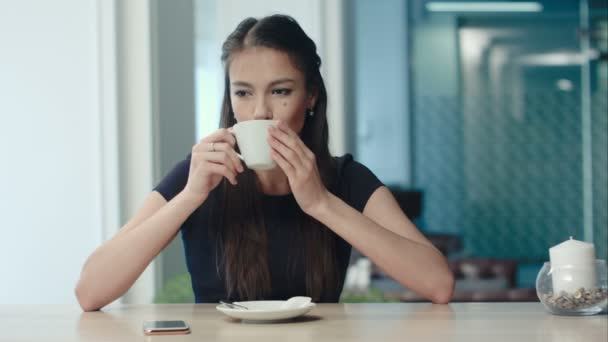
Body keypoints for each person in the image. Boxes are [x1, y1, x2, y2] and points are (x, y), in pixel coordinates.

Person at [75, 14, 454, 311]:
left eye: (281, 91)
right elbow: (90, 292)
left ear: (311, 98)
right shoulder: (199, 174)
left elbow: (438, 284)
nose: (259, 111)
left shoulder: (345, 179)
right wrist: (190, 197)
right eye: (243, 93)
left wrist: (321, 203)